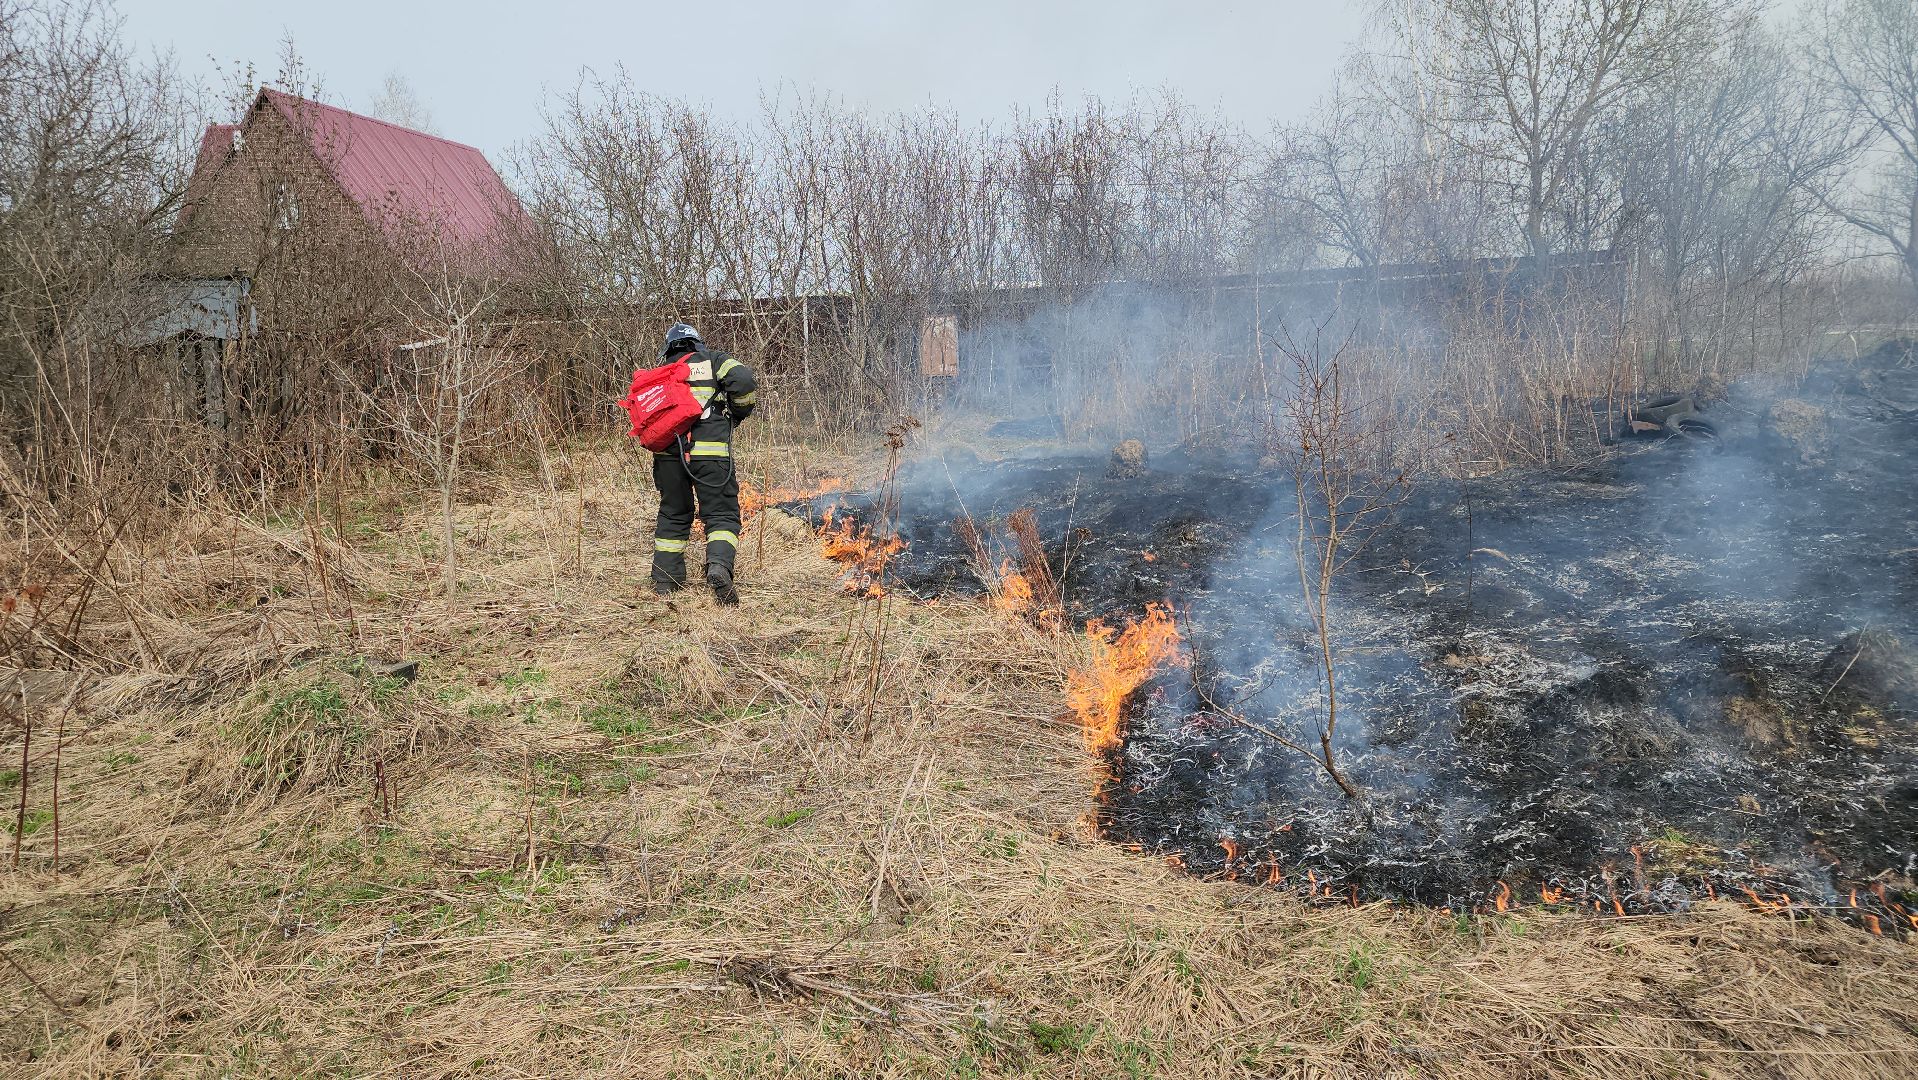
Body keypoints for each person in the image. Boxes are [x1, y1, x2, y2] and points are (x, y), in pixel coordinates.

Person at [649, 322, 757, 604]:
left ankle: (665, 582)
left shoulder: (661, 372)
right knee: (721, 515)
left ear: (668, 348)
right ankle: (719, 567)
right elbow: (744, 380)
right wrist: (738, 412)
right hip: (711, 455)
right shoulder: (714, 361)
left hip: (668, 457)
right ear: (697, 343)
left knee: (673, 513)